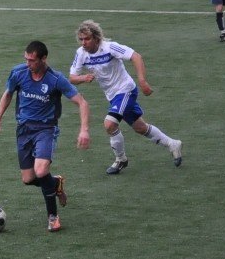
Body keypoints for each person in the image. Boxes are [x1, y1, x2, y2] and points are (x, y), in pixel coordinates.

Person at [0, 40, 90, 232]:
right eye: (26, 60)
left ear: (43, 59)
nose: (28, 64)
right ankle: (55, 183)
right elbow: (8, 93)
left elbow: (82, 103)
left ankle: (53, 217)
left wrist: (84, 129)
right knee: (28, 179)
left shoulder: (56, 79)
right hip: (24, 130)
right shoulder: (18, 72)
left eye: (32, 61)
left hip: (46, 130)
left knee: (41, 170)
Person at [69, 20, 182, 175]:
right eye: (81, 39)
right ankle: (172, 144)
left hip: (126, 90)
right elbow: (72, 77)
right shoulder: (81, 53)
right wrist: (83, 78)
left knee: (109, 124)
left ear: (96, 38)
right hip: (113, 96)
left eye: (87, 39)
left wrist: (142, 80)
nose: (83, 43)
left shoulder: (109, 47)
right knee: (140, 127)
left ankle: (120, 159)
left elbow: (136, 56)